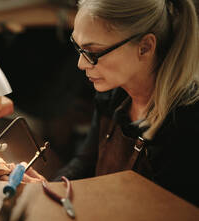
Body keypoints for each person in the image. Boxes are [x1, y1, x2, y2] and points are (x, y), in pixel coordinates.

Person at [13, 0, 199, 206]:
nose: (81, 64)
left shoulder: (186, 123)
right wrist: (50, 188)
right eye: (77, 47)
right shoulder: (114, 94)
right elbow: (85, 162)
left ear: (145, 47)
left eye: (92, 53)